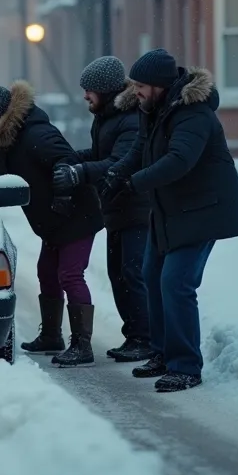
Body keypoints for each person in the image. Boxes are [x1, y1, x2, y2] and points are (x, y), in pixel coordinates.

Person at [100, 49, 238, 392]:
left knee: (176, 284)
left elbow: (179, 160)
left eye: (140, 84)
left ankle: (185, 366)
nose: (134, 90)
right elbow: (140, 147)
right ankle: (164, 354)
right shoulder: (153, 111)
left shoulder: (193, 114)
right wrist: (117, 172)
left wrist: (135, 182)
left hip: (201, 212)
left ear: (159, 86)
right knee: (152, 277)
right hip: (170, 212)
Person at [0, 81, 103, 368]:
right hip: (52, 221)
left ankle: (82, 345)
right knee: (46, 272)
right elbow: (6, 169)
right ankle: (52, 336)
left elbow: (66, 162)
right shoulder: (10, 139)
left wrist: (64, 196)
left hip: (75, 215)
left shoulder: (36, 134)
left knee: (70, 275)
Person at [52, 56, 153, 363]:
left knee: (132, 273)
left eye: (90, 90)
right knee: (117, 274)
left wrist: (79, 172)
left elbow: (118, 163)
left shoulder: (130, 119)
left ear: (106, 91)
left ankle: (145, 338)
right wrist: (70, 158)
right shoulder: (107, 116)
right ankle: (134, 336)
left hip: (136, 208)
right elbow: (100, 154)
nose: (85, 96)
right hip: (115, 209)